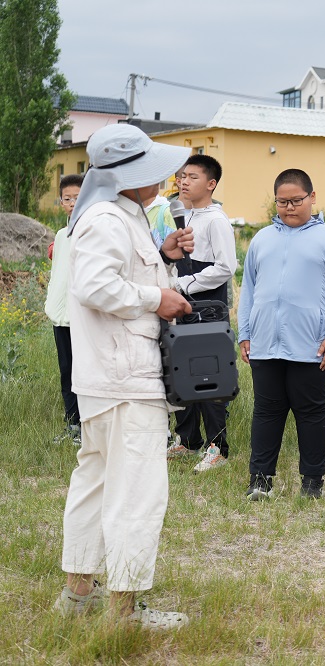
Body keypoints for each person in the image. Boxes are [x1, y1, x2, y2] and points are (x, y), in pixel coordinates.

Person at [53, 123, 194, 628]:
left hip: (110, 377)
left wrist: (165, 260)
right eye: (148, 171)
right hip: (123, 377)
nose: (158, 181)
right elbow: (96, 286)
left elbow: (121, 277)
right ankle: (123, 612)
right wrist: (158, 298)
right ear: (124, 175)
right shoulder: (108, 219)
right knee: (136, 492)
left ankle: (77, 597)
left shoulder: (120, 215)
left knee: (95, 482)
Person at [238, 169, 325, 500]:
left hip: (311, 345)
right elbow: (249, 289)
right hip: (265, 343)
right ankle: (260, 480)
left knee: (312, 413)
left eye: (296, 200)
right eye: (282, 202)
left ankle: (312, 482)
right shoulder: (261, 240)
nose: (289, 207)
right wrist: (244, 332)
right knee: (266, 412)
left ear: (312, 198)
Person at [166, 155, 238, 473]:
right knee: (180, 371)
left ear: (210, 184)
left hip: (207, 308)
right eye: (181, 176)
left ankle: (217, 446)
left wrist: (184, 285)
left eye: (192, 177)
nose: (183, 182)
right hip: (181, 306)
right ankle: (188, 439)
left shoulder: (216, 220)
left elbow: (225, 267)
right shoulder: (182, 216)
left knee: (209, 377)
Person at [45, 174, 84, 445]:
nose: (72, 203)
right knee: (67, 371)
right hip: (61, 315)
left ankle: (87, 428)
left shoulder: (91, 232)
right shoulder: (61, 235)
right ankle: (72, 426)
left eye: (78, 198)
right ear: (61, 202)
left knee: (85, 374)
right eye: (67, 199)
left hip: (82, 316)